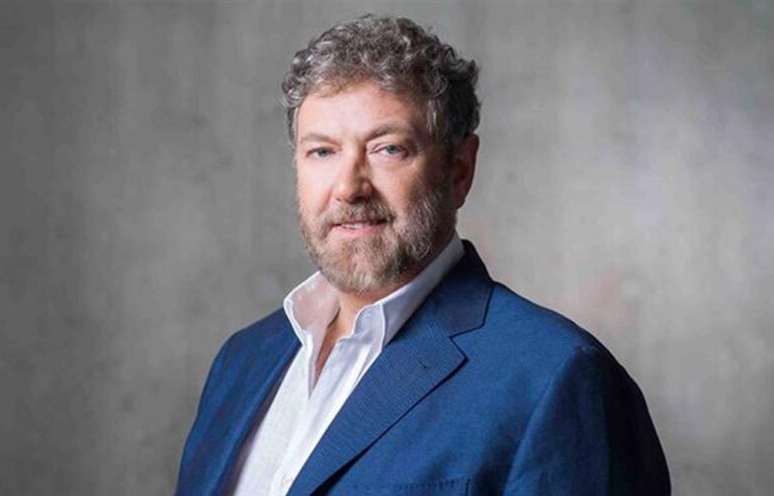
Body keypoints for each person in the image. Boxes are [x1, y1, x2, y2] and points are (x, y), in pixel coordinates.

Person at [175, 14, 670, 496]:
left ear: (459, 169)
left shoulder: (557, 377)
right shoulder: (242, 362)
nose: (348, 187)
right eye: (322, 151)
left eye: (387, 149)